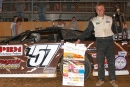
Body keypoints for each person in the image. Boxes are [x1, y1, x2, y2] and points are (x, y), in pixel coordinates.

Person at [75, 4, 127, 87]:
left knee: (111, 62)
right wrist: (79, 40)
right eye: (98, 10)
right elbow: (87, 31)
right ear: (96, 11)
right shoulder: (93, 20)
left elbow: (114, 30)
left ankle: (113, 80)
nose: (99, 11)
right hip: (99, 42)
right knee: (100, 62)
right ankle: (101, 79)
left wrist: (122, 27)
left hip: (110, 41)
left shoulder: (110, 19)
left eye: (101, 9)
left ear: (104, 10)